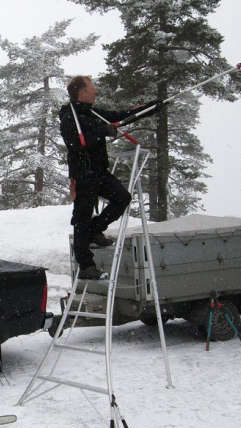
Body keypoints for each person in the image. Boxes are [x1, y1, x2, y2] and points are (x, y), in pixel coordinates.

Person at [59, 76, 163, 280]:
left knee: (122, 198)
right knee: (82, 218)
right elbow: (77, 143)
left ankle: (95, 229)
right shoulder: (69, 117)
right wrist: (102, 131)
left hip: (98, 172)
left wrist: (152, 107)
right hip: (82, 174)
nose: (96, 91)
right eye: (92, 88)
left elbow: (120, 116)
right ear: (82, 91)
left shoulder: (92, 111)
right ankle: (86, 265)